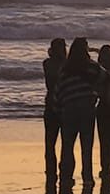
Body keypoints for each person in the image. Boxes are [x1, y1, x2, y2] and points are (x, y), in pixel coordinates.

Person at [54, 38, 106, 185]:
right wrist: (97, 94)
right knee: (86, 145)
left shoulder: (65, 69)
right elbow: (107, 78)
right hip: (87, 109)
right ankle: (87, 177)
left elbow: (58, 90)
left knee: (67, 145)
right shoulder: (92, 67)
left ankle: (66, 176)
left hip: (68, 109)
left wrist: (58, 110)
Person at [41, 38, 67, 175]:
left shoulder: (47, 63)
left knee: (50, 143)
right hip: (65, 105)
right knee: (65, 143)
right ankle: (63, 170)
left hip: (51, 103)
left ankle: (50, 170)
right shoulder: (67, 65)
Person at [94, 44, 110, 179]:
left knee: (105, 142)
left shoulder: (99, 72)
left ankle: (106, 169)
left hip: (104, 108)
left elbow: (96, 90)